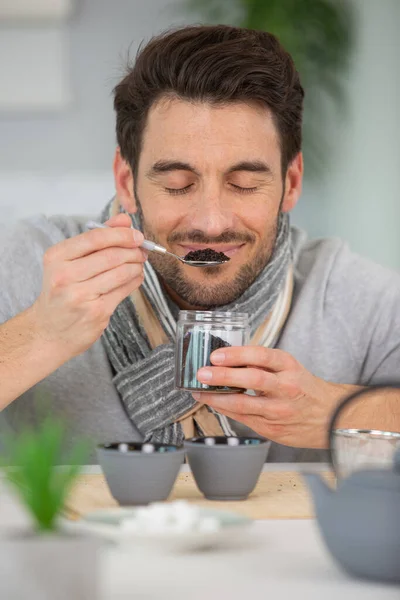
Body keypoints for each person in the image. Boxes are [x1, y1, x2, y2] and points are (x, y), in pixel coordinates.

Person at [0, 25, 399, 462]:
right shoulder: (31, 266)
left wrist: (336, 414)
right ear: (126, 180)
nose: (211, 222)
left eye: (244, 184)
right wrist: (39, 334)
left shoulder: (360, 299)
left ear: (291, 183)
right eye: (177, 184)